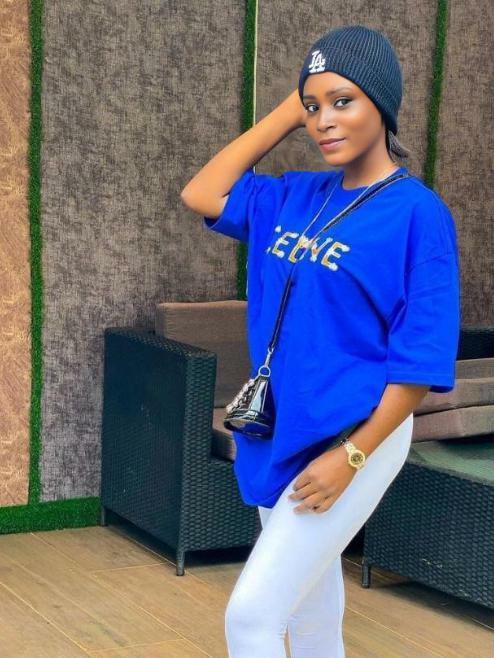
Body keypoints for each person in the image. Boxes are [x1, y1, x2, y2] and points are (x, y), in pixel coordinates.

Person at [181, 24, 461, 658]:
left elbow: (418, 362)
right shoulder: (295, 195)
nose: (324, 121)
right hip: (282, 424)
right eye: (313, 107)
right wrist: (290, 108)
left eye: (343, 101)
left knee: (252, 617)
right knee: (309, 614)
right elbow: (202, 192)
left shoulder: (418, 215)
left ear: (380, 104)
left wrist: (353, 456)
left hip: (358, 430)